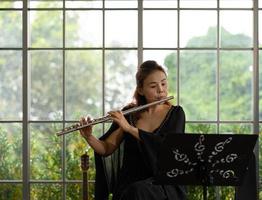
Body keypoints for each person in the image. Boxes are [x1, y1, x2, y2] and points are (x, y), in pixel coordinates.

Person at [79, 60, 187, 200]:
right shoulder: (129, 114)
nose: (161, 90)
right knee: (133, 190)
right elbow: (106, 149)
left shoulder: (176, 114)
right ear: (141, 90)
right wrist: (89, 137)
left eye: (163, 83)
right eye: (153, 86)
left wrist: (129, 128)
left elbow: (166, 145)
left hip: (163, 184)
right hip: (130, 183)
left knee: (138, 191)